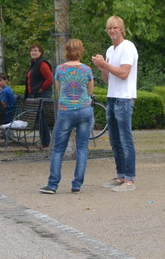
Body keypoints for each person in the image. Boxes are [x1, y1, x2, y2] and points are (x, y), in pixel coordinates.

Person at [39, 40, 95, 194]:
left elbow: (58, 89)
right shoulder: (87, 70)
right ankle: (77, 184)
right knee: (82, 148)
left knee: (58, 149)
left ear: (66, 51)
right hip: (84, 110)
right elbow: (90, 92)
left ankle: (53, 184)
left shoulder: (60, 69)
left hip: (66, 111)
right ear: (81, 51)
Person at [92, 16, 138, 190]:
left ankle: (130, 179)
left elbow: (124, 73)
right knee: (114, 139)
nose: (112, 31)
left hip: (124, 98)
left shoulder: (128, 47)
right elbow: (108, 79)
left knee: (125, 139)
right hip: (112, 96)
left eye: (115, 28)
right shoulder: (110, 50)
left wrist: (106, 65)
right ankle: (120, 175)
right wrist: (102, 67)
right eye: (109, 28)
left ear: (121, 29)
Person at [25, 43, 54, 145]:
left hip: (42, 95)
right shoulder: (34, 63)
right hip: (35, 94)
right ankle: (44, 140)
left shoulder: (42, 64)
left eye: (35, 50)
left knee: (42, 118)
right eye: (32, 51)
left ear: (40, 52)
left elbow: (50, 79)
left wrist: (42, 88)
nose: (33, 52)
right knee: (39, 118)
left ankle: (46, 141)